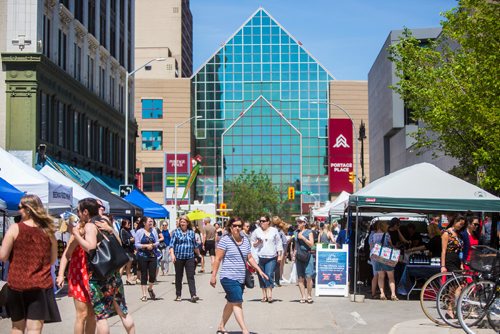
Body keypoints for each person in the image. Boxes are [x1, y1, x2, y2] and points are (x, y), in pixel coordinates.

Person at [71, 198, 135, 334]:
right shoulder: (104, 221)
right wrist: (111, 230)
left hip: (98, 275)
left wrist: (76, 235)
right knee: (123, 311)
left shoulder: (89, 226)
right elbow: (119, 242)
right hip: (113, 272)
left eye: (79, 211)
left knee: (101, 317)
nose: (78, 213)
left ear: (86, 212)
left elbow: (90, 247)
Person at [0, 194, 61, 333]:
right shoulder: (48, 231)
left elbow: (3, 256)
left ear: (28, 209)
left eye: (20, 207)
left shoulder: (15, 228)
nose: (18, 210)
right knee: (34, 329)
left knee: (17, 327)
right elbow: (52, 261)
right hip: (40, 285)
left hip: (17, 284)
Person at [210, 217, 267, 334]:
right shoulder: (225, 240)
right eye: (234, 225)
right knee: (237, 302)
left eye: (239, 226)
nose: (237, 228)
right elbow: (218, 259)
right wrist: (213, 275)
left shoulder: (245, 240)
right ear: (230, 227)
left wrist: (259, 270)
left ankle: (221, 326)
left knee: (231, 302)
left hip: (240, 277)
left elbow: (249, 257)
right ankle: (245, 330)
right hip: (228, 277)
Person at [57, 215, 96, 334]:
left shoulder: (98, 229)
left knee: (92, 314)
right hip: (79, 276)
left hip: (94, 275)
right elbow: (67, 254)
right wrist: (60, 274)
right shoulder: (79, 232)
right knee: (82, 314)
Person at [250, 215, 283, 303]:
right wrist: (257, 243)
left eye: (263, 221)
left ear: (268, 222)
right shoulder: (256, 231)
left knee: (268, 274)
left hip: (271, 256)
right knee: (261, 276)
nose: (261, 223)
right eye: (260, 221)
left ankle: (270, 295)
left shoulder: (274, 230)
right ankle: (264, 295)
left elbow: (278, 242)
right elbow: (252, 243)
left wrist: (279, 255)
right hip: (260, 256)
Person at [169, 215, 201, 303]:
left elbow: (195, 245)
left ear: (187, 223)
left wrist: (199, 255)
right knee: (179, 276)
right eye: (181, 222)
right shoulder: (176, 232)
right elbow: (171, 245)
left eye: (184, 222)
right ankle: (178, 295)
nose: (182, 223)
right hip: (178, 257)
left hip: (189, 257)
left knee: (190, 276)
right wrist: (172, 255)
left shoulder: (191, 233)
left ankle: (193, 295)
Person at [370, 220, 399, 301]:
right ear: (384, 227)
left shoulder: (373, 235)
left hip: (377, 258)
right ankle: (393, 294)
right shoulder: (387, 235)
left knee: (381, 276)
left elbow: (371, 246)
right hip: (386, 257)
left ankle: (382, 294)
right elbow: (390, 245)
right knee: (391, 277)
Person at [134, 217, 160, 301]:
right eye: (149, 221)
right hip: (142, 255)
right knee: (144, 275)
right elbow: (136, 244)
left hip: (153, 255)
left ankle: (150, 288)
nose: (151, 223)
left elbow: (157, 242)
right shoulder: (139, 232)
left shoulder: (154, 231)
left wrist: (152, 245)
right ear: (144, 223)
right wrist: (145, 246)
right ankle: (144, 295)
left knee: (152, 275)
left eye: (152, 221)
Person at [293, 216, 315, 304]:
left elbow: (311, 244)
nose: (298, 223)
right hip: (299, 256)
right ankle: (303, 296)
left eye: (300, 222)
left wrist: (303, 238)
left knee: (308, 277)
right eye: (298, 222)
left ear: (304, 223)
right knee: (300, 278)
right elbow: (296, 245)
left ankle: (309, 295)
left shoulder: (309, 232)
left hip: (307, 256)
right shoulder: (295, 232)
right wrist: (293, 254)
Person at [119, 219, 136, 285]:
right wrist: (130, 240)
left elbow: (132, 239)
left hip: (130, 250)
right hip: (125, 250)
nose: (129, 224)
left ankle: (129, 279)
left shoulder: (128, 231)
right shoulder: (122, 231)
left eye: (129, 223)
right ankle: (119, 280)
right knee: (123, 266)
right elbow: (123, 241)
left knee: (129, 266)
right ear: (124, 224)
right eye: (128, 223)